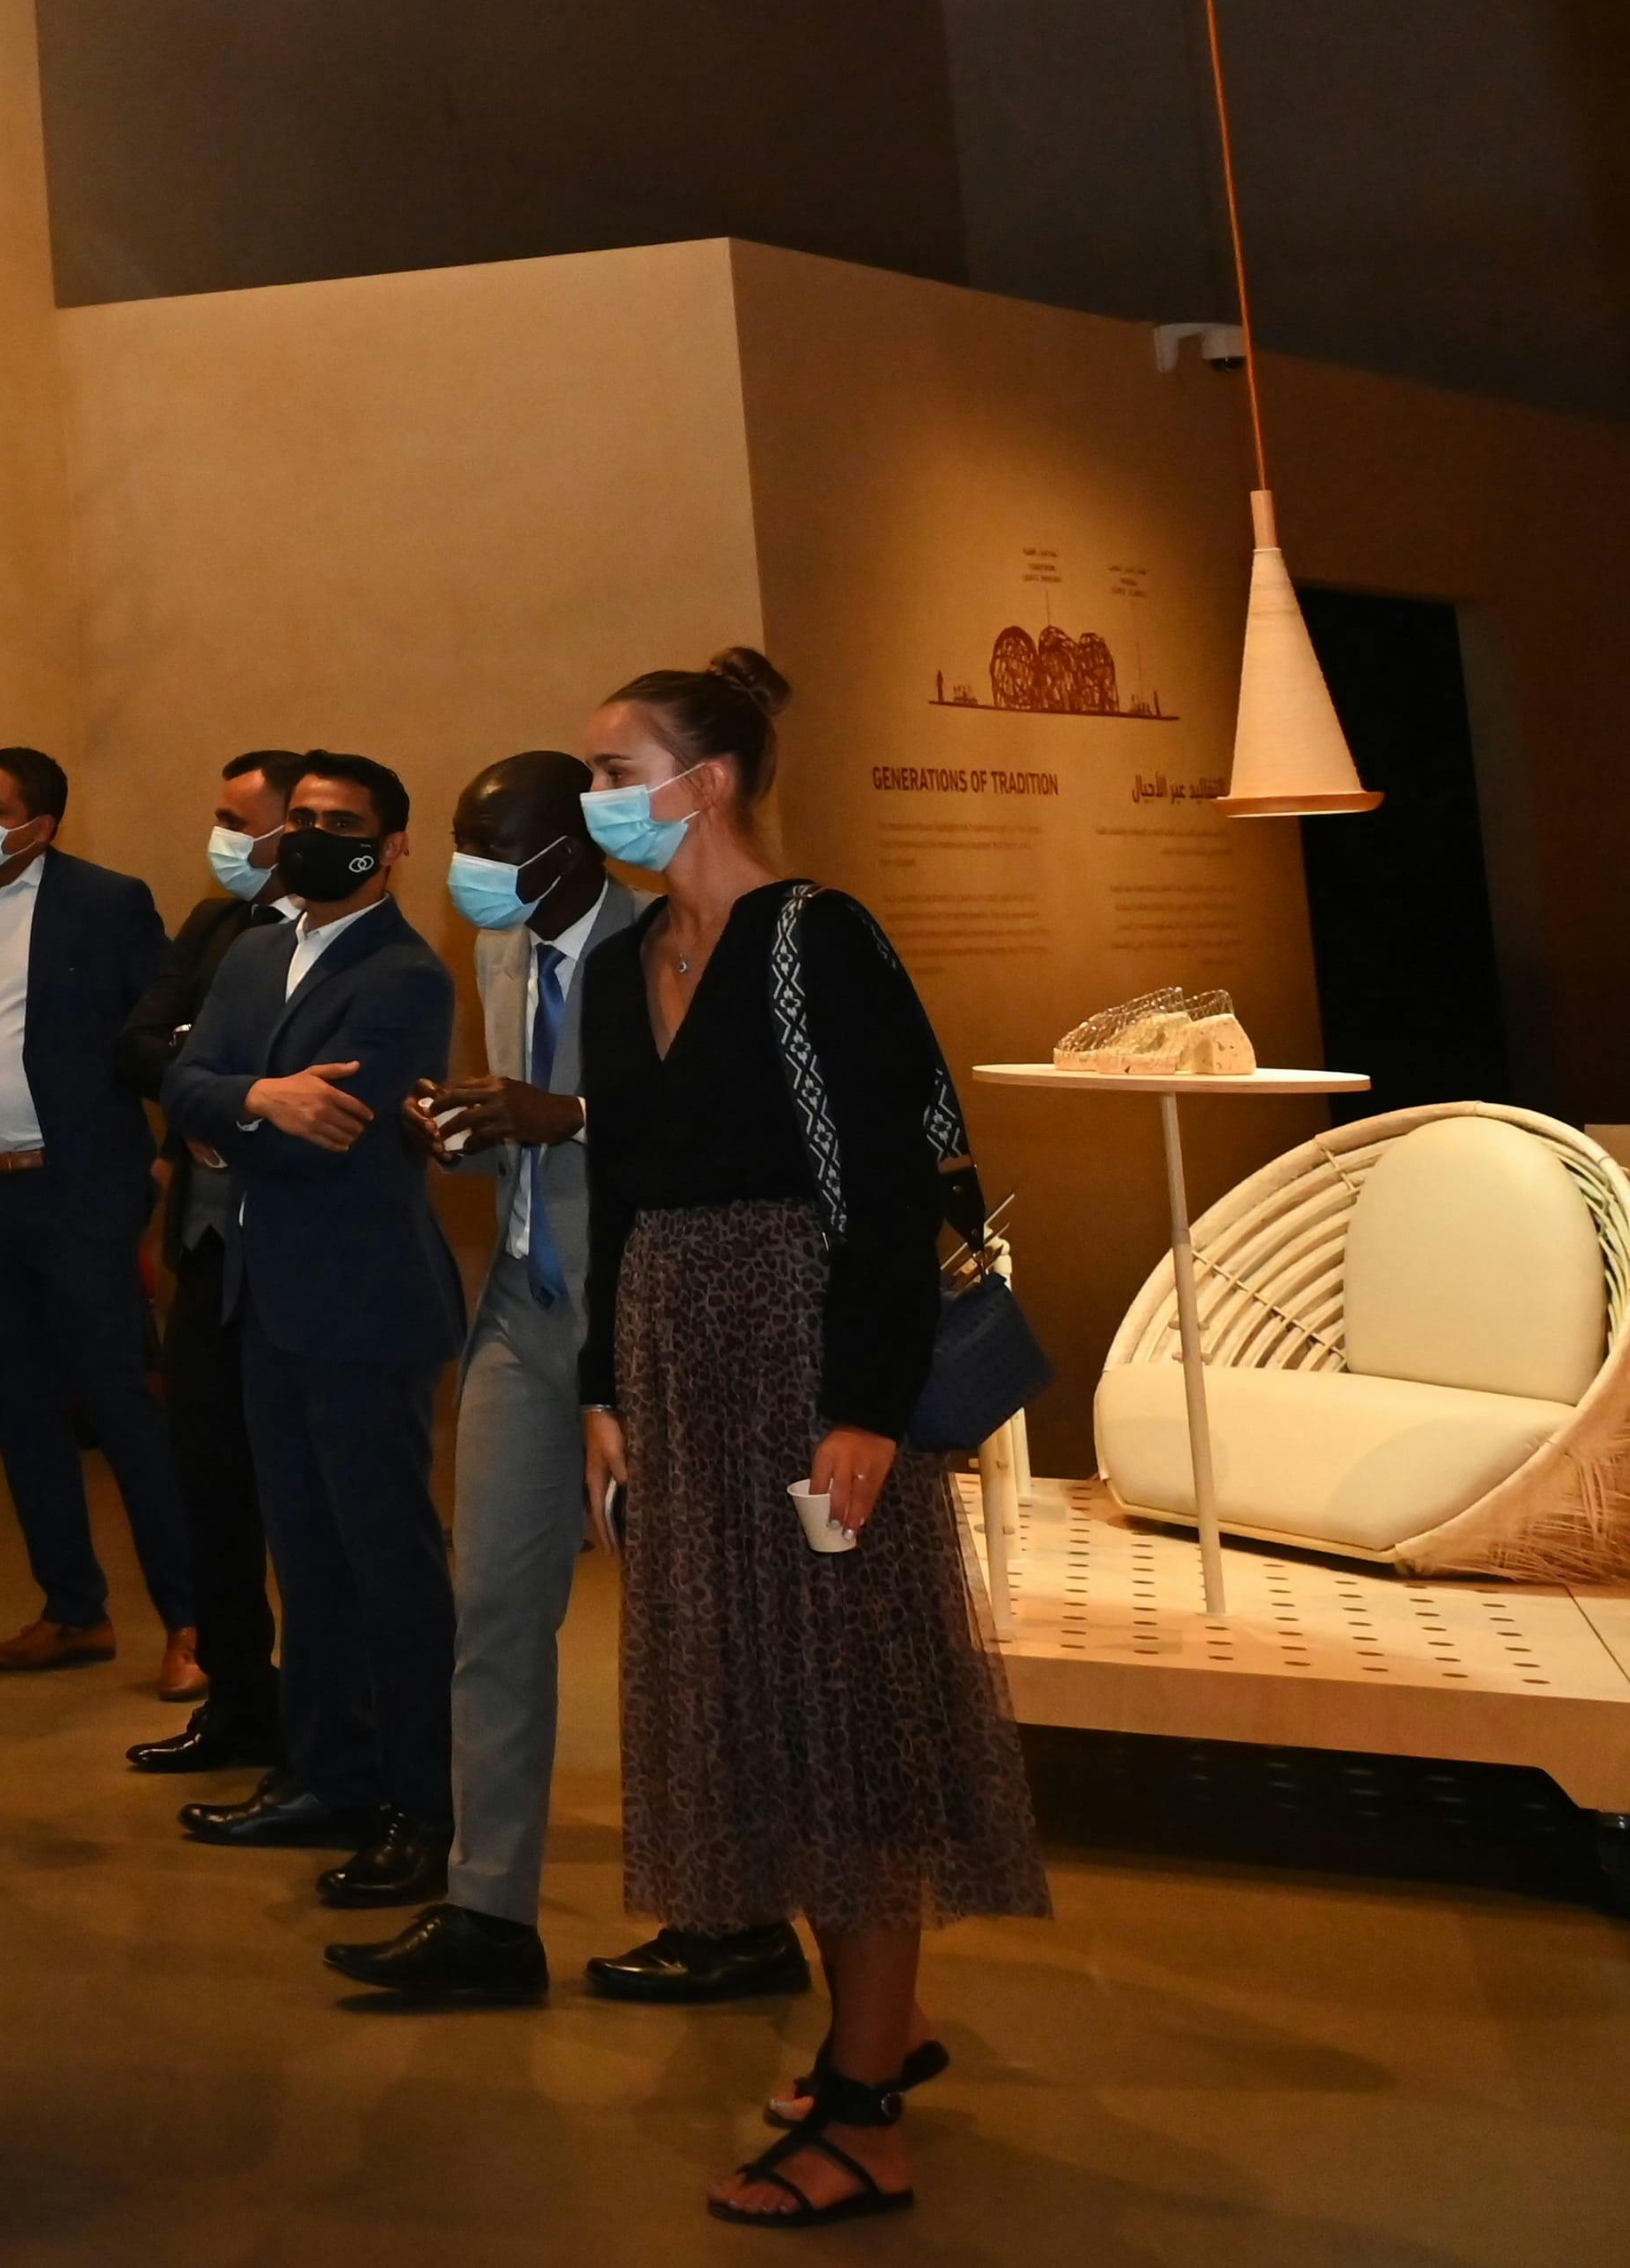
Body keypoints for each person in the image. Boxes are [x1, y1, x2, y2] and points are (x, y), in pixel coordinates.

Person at [573, 650, 1044, 2226]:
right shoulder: (616, 958)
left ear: (699, 782)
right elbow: (613, 1194)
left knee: (843, 1711)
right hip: (673, 1356)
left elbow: (882, 1188)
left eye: (613, 765)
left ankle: (861, 2114)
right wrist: (601, 1381)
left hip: (802, 1353)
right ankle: (879, 2025)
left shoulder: (809, 936)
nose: (595, 798)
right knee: (757, 1699)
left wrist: (861, 1405)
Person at [155, 753, 461, 1912]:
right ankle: (325, 1774)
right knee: (308, 1557)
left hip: (365, 1303)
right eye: (304, 819)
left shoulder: (405, 975)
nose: (312, 835)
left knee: (387, 1565)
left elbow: (332, 1128)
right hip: (264, 1297)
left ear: (391, 851)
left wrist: (245, 1112)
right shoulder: (251, 951)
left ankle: (418, 1810)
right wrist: (251, 1100)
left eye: (342, 824)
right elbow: (183, 1077)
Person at [333, 750, 615, 2001]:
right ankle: (489, 1914)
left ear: (569, 849)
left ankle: (736, 1910)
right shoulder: (502, 954)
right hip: (518, 1301)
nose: (474, 871)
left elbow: (712, 1122)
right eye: (461, 839)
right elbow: (515, 1129)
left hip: (642, 1309)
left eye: (496, 844)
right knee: (493, 1609)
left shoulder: (665, 948)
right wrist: (460, 1128)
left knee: (687, 1627)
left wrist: (575, 1115)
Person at [0, 749, 193, 1694]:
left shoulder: (107, 902)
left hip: (77, 1189)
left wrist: (175, 1148)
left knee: (116, 1398)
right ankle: (73, 1609)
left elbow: (167, 1030)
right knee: (17, 1404)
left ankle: (191, 1621)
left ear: (41, 827)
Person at [112, 749, 300, 1768]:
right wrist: (209, 1082)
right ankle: (238, 1699)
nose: (222, 836)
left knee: (306, 1503)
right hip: (204, 1247)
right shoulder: (211, 923)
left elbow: (309, 1077)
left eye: (241, 819)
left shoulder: (341, 944)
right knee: (212, 1487)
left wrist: (213, 1083)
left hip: (300, 1259)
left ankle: (329, 1723)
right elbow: (140, 1042)